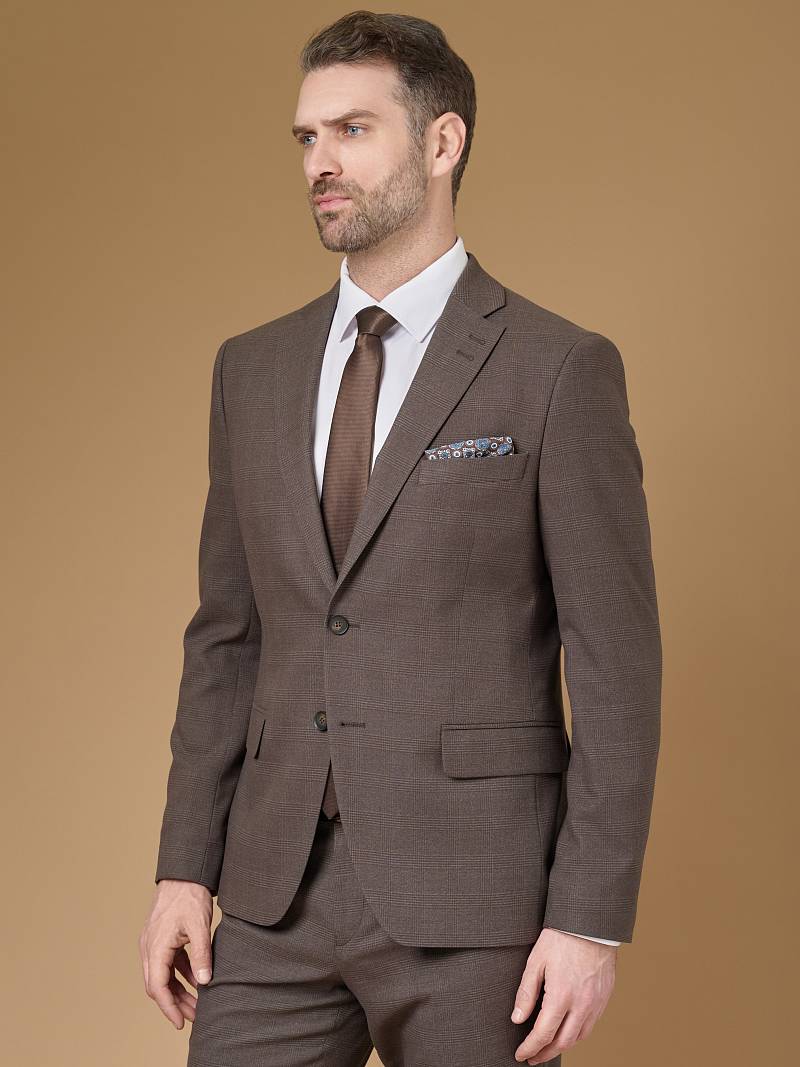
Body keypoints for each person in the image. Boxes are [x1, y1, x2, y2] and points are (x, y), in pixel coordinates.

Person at [140, 11, 661, 1066]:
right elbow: (227, 640)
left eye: (351, 130)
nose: (319, 163)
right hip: (275, 894)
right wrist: (182, 867)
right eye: (306, 137)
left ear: (441, 142)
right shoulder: (251, 370)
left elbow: (615, 663)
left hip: (477, 902)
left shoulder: (556, 368)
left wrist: (588, 919)